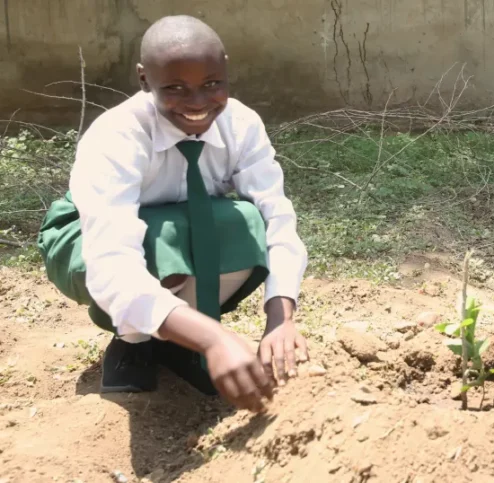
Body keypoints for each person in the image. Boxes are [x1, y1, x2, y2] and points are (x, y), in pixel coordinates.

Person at [36, 15, 310, 413]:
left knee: (244, 222)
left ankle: (175, 338)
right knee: (160, 238)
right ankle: (134, 344)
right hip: (82, 241)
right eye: (175, 88)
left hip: (179, 233)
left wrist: (280, 319)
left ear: (227, 70)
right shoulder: (116, 135)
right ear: (145, 80)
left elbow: (278, 220)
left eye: (212, 84)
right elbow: (111, 260)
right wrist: (215, 339)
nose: (198, 103)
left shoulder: (243, 124)